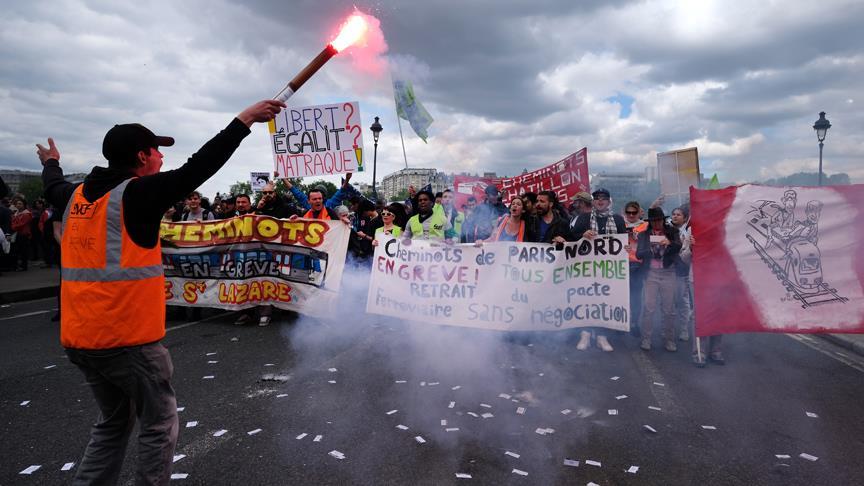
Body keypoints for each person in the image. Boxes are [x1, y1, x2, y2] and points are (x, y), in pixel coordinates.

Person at [38, 98, 285, 485]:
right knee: (159, 424)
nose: (160, 159)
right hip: (128, 340)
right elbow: (198, 169)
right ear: (141, 156)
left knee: (113, 423)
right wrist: (245, 120)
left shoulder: (75, 196)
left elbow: (51, 183)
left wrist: (51, 162)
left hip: (80, 339)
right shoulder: (135, 195)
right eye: (156, 151)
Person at [568, 188, 627, 352]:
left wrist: (627, 247)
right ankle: (585, 334)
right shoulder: (584, 218)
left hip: (609, 271)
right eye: (597, 198)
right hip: (588, 269)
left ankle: (602, 336)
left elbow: (623, 241)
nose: (600, 201)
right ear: (593, 201)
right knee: (587, 300)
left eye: (604, 198)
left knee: (606, 301)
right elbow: (571, 237)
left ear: (609, 201)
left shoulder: (617, 220)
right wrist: (582, 235)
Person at [636, 207, 682, 352]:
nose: (657, 223)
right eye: (654, 221)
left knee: (669, 309)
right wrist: (649, 250)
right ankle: (646, 338)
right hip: (651, 273)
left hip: (669, 272)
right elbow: (638, 254)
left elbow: (678, 247)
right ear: (650, 222)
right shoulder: (644, 235)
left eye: (659, 220)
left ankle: (669, 339)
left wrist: (669, 243)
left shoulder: (672, 232)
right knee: (649, 308)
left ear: (663, 220)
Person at [623, 201, 648, 338]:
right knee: (622, 296)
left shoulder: (645, 225)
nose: (631, 215)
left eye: (634, 212)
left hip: (638, 264)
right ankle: (622, 322)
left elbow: (652, 241)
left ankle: (634, 323)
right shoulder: (620, 224)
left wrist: (640, 238)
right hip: (621, 264)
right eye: (628, 212)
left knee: (636, 297)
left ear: (639, 212)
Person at [671, 206, 693, 342]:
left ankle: (684, 329)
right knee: (668, 303)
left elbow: (686, 255)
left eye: (678, 215)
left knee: (682, 301)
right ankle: (669, 330)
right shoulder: (667, 230)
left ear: (685, 218)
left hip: (681, 271)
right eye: (673, 214)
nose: (674, 216)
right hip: (668, 271)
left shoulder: (688, 232)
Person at [11, 196, 33, 271]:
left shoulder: (27, 214)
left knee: (23, 251)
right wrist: (14, 225)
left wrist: (13, 226)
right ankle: (18, 265)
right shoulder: (16, 213)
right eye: (17, 204)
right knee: (16, 250)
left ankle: (24, 266)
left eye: (20, 204)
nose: (18, 205)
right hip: (17, 234)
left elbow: (21, 224)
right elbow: (13, 222)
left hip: (23, 234)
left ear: (24, 205)